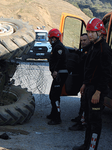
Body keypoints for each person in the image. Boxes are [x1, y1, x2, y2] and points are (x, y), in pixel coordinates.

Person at [72, 18, 112, 150]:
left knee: (95, 121)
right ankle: (86, 145)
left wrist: (98, 92)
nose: (89, 34)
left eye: (92, 32)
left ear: (100, 32)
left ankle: (92, 147)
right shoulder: (93, 46)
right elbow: (89, 69)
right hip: (89, 88)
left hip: (96, 90)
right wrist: (84, 84)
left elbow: (106, 74)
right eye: (88, 31)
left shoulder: (104, 50)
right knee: (88, 119)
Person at [69, 33, 91, 131]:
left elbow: (88, 69)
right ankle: (80, 118)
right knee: (83, 102)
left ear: (89, 40)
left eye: (84, 40)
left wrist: (85, 83)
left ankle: (81, 123)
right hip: (83, 80)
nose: (82, 42)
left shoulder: (91, 51)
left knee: (85, 104)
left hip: (87, 82)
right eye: (81, 40)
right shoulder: (85, 51)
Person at [47, 28, 69, 125]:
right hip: (59, 73)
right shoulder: (56, 46)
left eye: (49, 38)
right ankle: (53, 113)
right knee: (53, 95)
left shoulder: (58, 47)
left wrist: (55, 70)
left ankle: (57, 117)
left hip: (60, 73)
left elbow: (60, 60)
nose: (49, 40)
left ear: (53, 38)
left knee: (54, 95)